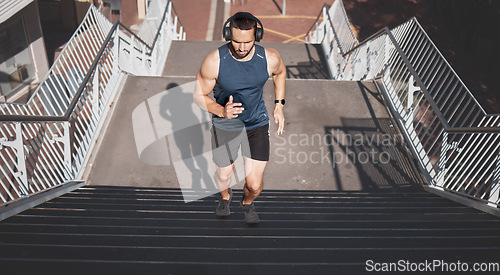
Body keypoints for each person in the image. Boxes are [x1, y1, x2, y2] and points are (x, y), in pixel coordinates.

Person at [194, 12, 286, 224]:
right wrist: (220, 110)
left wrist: (279, 105)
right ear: (228, 35)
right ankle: (225, 197)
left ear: (257, 36)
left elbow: (280, 73)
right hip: (225, 124)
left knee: (254, 185)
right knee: (224, 175)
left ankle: (247, 203)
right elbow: (198, 95)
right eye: (236, 41)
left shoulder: (269, 58)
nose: (242, 47)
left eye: (248, 42)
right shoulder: (214, 61)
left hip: (256, 123)